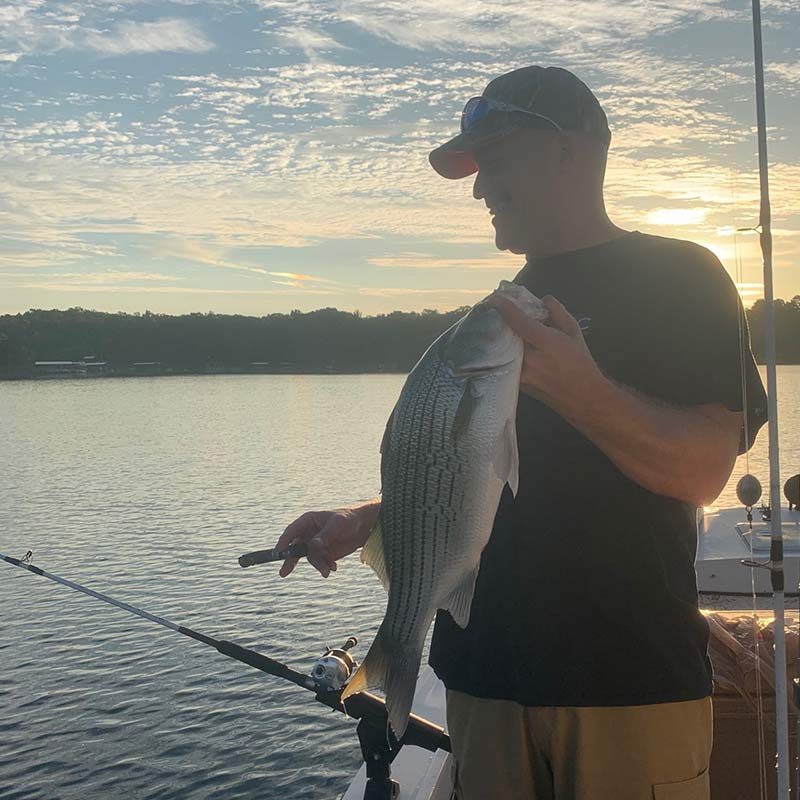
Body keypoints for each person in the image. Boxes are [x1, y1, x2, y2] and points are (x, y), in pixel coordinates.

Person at [275, 66, 767, 800]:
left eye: (495, 160)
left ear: (567, 151)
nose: (479, 189)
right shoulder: (503, 317)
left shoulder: (682, 277)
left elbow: (703, 471)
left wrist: (583, 389)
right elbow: (493, 479)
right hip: (483, 680)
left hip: (628, 683)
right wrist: (374, 518)